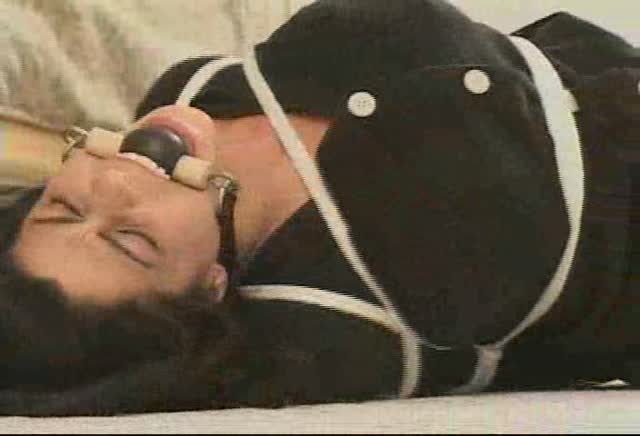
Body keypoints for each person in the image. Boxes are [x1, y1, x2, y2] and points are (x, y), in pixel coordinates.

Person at [4, 0, 640, 414]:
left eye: (64, 207)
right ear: (210, 288)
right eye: (131, 241)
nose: (113, 187)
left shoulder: (190, 94)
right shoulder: (345, 311)